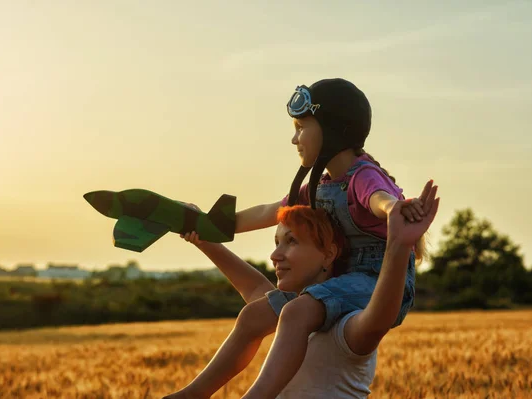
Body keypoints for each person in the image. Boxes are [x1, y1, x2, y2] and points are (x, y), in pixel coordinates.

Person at [166, 78, 427, 397]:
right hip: (336, 282)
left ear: (332, 128)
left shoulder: (363, 175)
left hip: (378, 280)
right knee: (254, 315)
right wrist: (208, 226)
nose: (294, 139)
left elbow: (379, 198)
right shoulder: (315, 188)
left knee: (294, 312)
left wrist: (395, 211)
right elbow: (269, 212)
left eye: (301, 127)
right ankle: (191, 394)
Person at [165, 182, 439, 398]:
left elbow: (381, 315)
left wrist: (399, 245)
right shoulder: (286, 314)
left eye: (291, 242)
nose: (275, 255)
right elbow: (256, 289)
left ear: (329, 254)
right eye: (276, 242)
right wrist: (202, 236)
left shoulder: (344, 327)